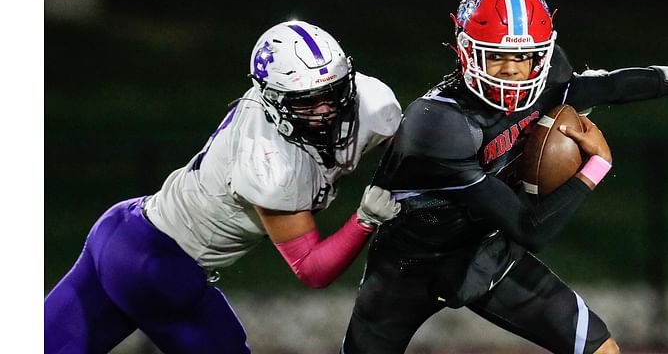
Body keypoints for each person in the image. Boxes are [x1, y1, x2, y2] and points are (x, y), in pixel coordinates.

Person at [339, 0, 668, 354]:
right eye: (497, 57)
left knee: (602, 349)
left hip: (485, 252)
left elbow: (609, 84)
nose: (514, 71)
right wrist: (597, 166)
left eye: (525, 57)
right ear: (466, 52)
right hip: (409, 265)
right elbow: (530, 228)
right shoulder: (437, 123)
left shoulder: (548, 74)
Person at [44, 20, 403, 353]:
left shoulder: (372, 101)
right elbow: (313, 269)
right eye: (307, 101)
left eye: (332, 91)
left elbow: (415, 152)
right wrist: (364, 219)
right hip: (158, 265)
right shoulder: (270, 161)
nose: (325, 110)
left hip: (126, 234)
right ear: (270, 97)